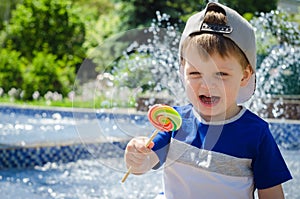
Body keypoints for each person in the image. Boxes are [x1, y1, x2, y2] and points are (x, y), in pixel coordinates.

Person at [124, 2, 292, 199]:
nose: (207, 85)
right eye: (195, 73)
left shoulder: (256, 133)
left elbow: (271, 194)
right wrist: (135, 157)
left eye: (221, 74)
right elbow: (142, 165)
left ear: (244, 76)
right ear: (182, 71)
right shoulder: (174, 122)